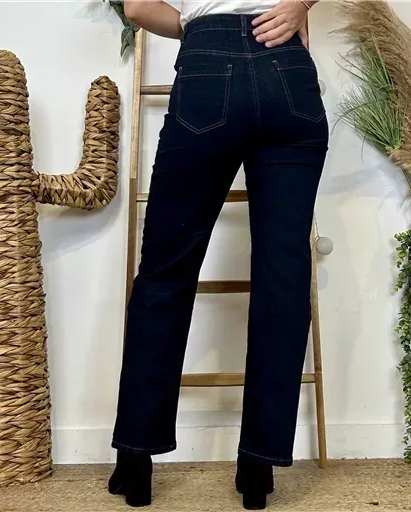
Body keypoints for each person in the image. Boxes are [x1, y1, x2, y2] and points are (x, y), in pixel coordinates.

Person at [109, 0, 328, 509]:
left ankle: (135, 462)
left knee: (166, 273)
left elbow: (138, 8)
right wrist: (300, 5)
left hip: (206, 68)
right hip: (288, 68)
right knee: (283, 276)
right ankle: (258, 469)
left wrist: (197, 27)